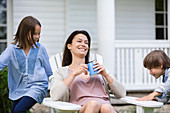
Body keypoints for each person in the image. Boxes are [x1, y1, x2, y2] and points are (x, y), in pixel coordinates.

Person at [50, 30, 126, 113]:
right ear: (69, 46)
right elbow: (55, 96)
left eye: (86, 43)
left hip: (106, 109)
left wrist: (106, 75)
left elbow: (122, 93)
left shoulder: (98, 69)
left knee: (106, 107)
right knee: (93, 104)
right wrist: (74, 74)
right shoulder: (62, 72)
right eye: (79, 41)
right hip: (83, 109)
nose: (83, 44)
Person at [0, 16, 53, 113]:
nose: (38, 37)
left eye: (39, 34)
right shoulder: (12, 49)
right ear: (24, 33)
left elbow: (49, 71)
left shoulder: (41, 49)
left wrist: (54, 87)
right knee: (15, 111)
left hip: (37, 86)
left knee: (18, 110)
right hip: (18, 88)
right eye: (35, 34)